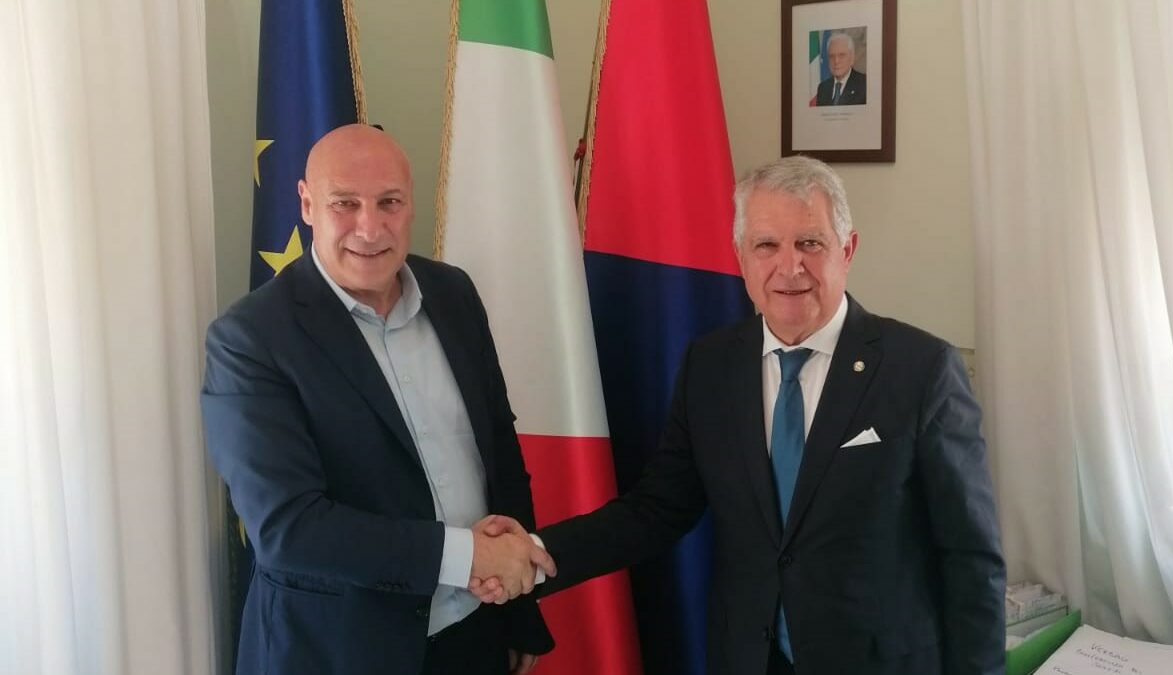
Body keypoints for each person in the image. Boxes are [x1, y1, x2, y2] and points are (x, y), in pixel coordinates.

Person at [475, 155, 1006, 674]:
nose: (789, 267)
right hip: (748, 656)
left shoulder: (921, 369)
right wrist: (538, 552)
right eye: (766, 245)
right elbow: (656, 509)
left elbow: (970, 557)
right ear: (741, 257)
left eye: (810, 243)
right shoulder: (711, 366)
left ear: (847, 249)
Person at [201, 124, 554, 675]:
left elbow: (499, 454)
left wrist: (518, 607)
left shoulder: (454, 294)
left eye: (389, 202)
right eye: (345, 203)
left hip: (474, 630)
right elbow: (288, 528)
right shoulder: (250, 339)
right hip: (336, 651)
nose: (370, 228)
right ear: (307, 204)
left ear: (411, 203)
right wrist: (467, 556)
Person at [816, 32, 867, 106]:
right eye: (832, 56)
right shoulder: (823, 88)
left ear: (852, 58)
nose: (836, 61)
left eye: (841, 55)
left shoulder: (864, 84)